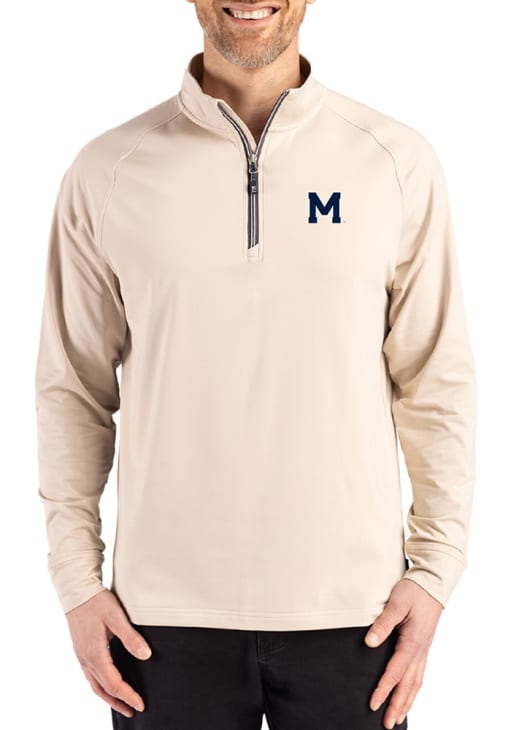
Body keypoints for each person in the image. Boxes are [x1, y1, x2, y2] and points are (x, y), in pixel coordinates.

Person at [34, 1, 477, 729]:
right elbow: (72, 389)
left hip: (357, 615)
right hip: (160, 621)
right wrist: (76, 583)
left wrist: (435, 571)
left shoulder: (394, 162)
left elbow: (437, 379)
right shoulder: (108, 171)